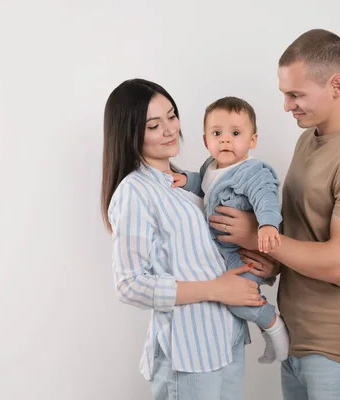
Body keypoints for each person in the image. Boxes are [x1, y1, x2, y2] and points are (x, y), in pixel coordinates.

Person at [208, 29, 340, 399]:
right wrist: (270, 262)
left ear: (337, 86)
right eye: (284, 93)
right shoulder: (308, 139)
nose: (286, 105)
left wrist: (255, 237)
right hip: (300, 337)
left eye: (295, 94)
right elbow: (302, 235)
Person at [101, 78, 267, 400]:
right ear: (129, 132)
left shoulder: (189, 183)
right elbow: (130, 284)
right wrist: (215, 289)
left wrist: (258, 255)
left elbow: (211, 252)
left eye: (172, 116)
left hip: (227, 335)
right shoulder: (135, 192)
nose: (169, 129)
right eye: (154, 125)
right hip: (190, 350)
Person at [167, 96, 290, 364]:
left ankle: (272, 324)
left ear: (252, 140)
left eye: (235, 133)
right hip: (220, 254)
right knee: (226, 294)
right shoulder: (210, 167)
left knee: (237, 300)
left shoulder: (253, 171)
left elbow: (266, 197)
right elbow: (205, 186)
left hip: (242, 253)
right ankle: (262, 320)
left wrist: (268, 225)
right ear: (206, 141)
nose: (225, 140)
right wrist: (188, 180)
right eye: (217, 133)